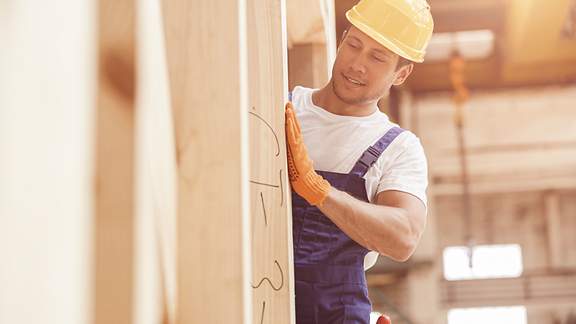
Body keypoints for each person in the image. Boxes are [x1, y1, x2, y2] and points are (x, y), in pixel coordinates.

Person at [284, 0, 434, 323]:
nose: (357, 64)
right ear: (342, 40)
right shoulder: (285, 104)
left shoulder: (397, 149)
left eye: (377, 57)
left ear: (401, 73)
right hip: (256, 295)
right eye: (354, 44)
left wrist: (319, 191)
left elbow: (404, 236)